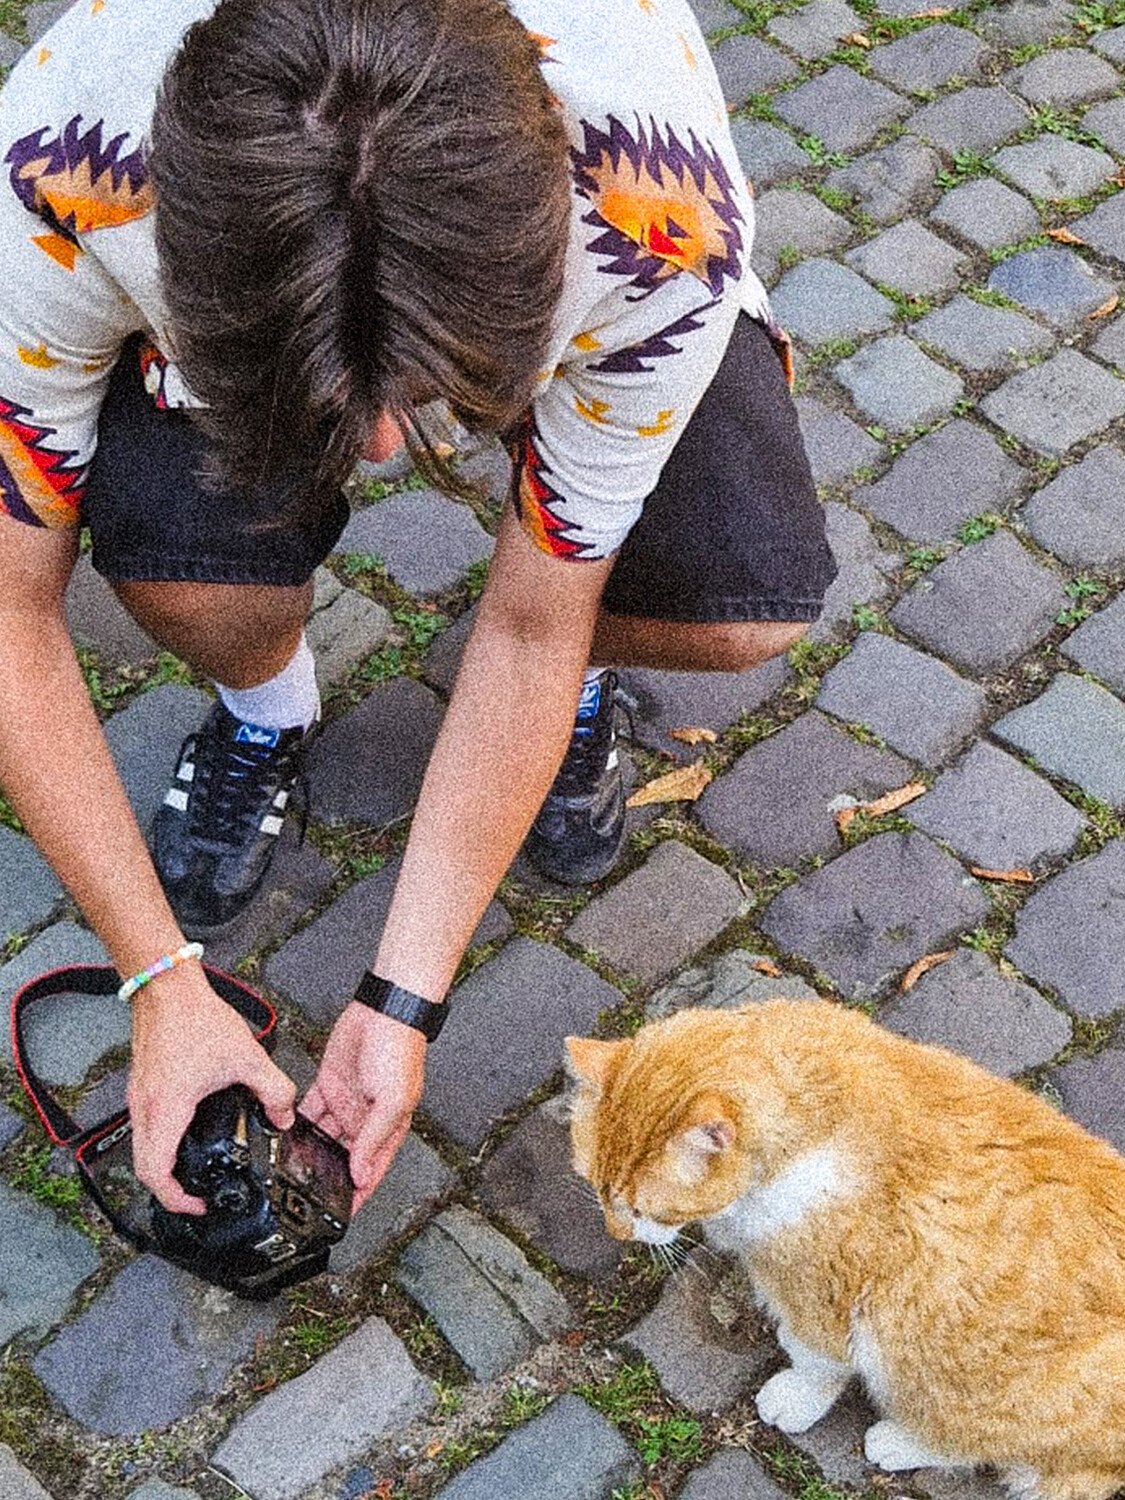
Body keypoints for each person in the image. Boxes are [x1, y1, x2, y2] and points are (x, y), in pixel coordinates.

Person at [0, 0, 836, 1215]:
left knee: (736, 606)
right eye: (347, 407)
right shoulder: (52, 179)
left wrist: (403, 1001)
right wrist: (162, 982)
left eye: (433, 391)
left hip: (597, 262)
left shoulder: (662, 218)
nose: (388, 451)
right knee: (194, 575)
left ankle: (571, 692)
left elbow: (531, 621)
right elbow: (11, 610)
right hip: (157, 261)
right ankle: (264, 702)